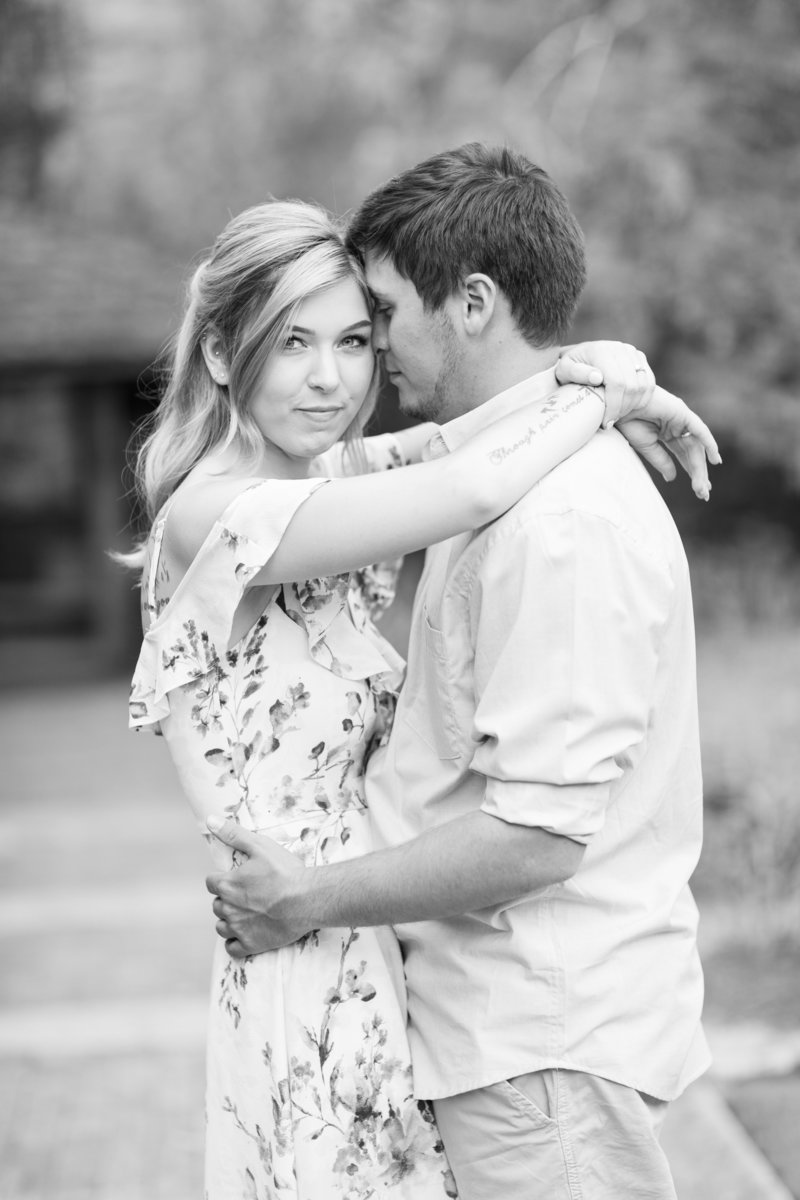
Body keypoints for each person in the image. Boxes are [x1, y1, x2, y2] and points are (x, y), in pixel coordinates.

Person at [205, 145, 719, 1200]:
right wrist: (612, 379)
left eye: (376, 319)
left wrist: (306, 897)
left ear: (473, 302)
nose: (360, 357)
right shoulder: (483, 479)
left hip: (544, 1045)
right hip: (491, 1035)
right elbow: (449, 465)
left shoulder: (559, 520)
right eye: (305, 340)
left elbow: (535, 836)